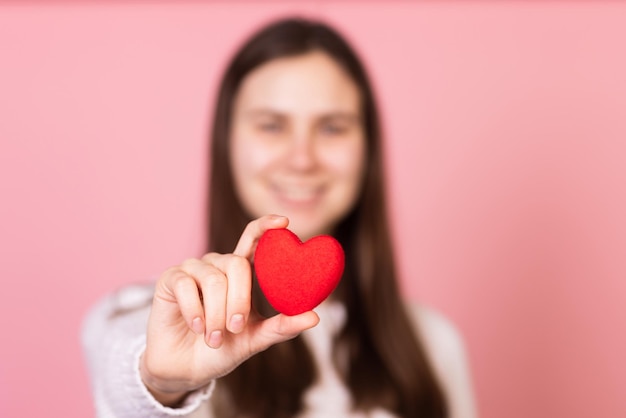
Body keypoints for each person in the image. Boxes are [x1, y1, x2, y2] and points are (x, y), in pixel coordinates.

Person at [82, 17, 478, 418]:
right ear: (228, 143)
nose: (302, 159)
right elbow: (130, 369)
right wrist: (161, 384)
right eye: (271, 126)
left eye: (332, 127)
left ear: (368, 149)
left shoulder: (435, 343)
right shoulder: (144, 319)